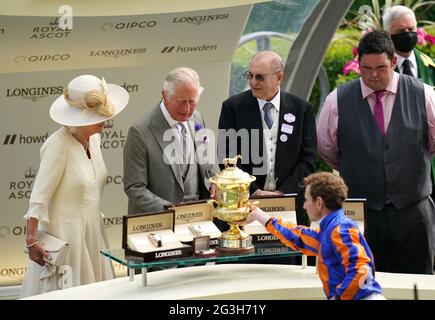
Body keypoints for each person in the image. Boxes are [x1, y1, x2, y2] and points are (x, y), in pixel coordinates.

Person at [317, 30, 435, 274]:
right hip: (362, 213)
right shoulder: (336, 101)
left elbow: (432, 144)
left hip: (414, 211)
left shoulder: (425, 94)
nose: (372, 75)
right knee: (363, 280)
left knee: (419, 283)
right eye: (366, 68)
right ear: (358, 63)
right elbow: (327, 149)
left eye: (380, 68)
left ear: (394, 62)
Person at [20, 74, 129, 297]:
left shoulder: (95, 140)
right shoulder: (57, 145)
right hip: (66, 239)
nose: (105, 121)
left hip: (94, 235)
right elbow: (39, 198)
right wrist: (31, 241)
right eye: (98, 116)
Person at [239, 172, 384, 300]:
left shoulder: (341, 229)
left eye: (307, 200)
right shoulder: (330, 229)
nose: (304, 206)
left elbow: (361, 270)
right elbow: (298, 237)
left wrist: (338, 298)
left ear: (319, 202)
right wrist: (259, 215)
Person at [218, 51, 317, 226]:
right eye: (250, 75)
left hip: (289, 206)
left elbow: (308, 159)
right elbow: (227, 158)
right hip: (244, 205)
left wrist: (283, 192)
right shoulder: (233, 108)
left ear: (279, 77)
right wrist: (254, 191)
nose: (252, 82)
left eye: (260, 77)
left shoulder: (302, 109)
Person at [123, 67, 218, 214]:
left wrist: (215, 181)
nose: (187, 109)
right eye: (181, 102)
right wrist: (172, 212)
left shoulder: (197, 118)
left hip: (199, 219)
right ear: (165, 95)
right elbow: (135, 188)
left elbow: (208, 163)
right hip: (158, 223)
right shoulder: (140, 131)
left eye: (192, 102)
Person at [383, 5, 435, 207]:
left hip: (429, 161)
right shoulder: (377, 70)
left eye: (411, 29)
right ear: (388, 35)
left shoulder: (430, 65)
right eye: (400, 32)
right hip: (395, 163)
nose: (407, 35)